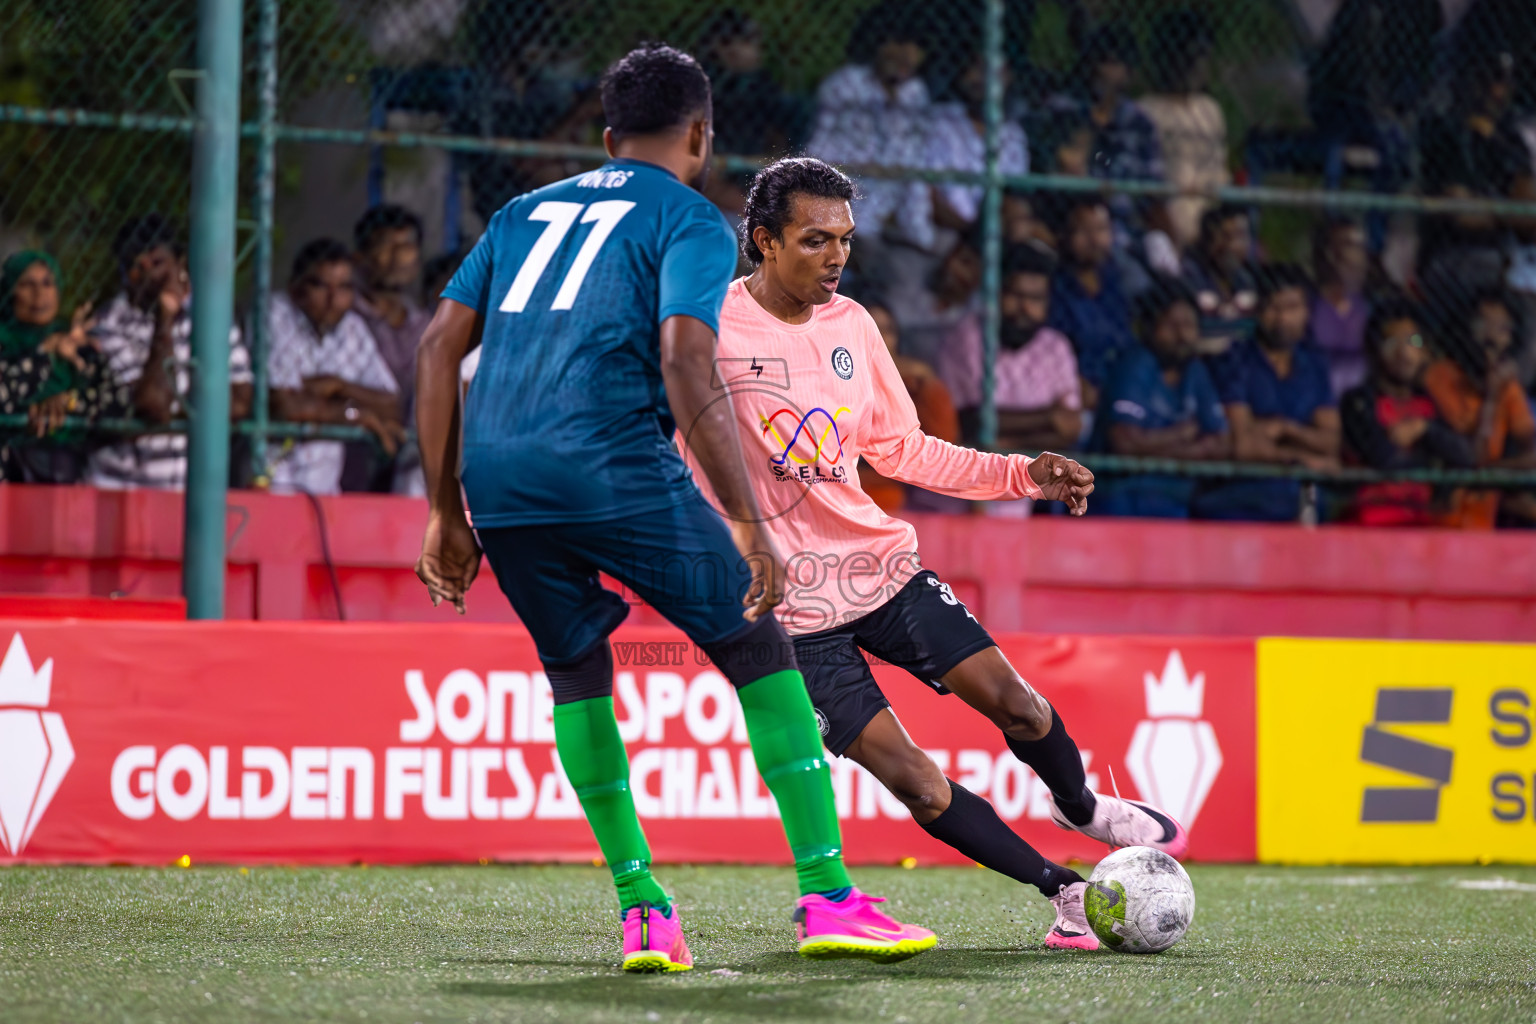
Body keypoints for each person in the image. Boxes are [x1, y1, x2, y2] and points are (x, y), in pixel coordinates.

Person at [410, 46, 935, 973]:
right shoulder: (690, 218)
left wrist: (446, 512)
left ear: (607, 138)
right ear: (700, 135)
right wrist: (746, 519)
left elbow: (438, 349)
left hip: (500, 483)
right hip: (614, 467)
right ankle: (828, 895)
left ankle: (643, 908)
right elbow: (687, 361)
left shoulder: (519, 211)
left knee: (575, 674)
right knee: (761, 644)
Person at [690, 155, 1187, 953]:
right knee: (916, 782)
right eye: (815, 240)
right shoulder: (705, 329)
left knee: (1018, 704)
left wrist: (1023, 471)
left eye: (845, 240)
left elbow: (906, 451)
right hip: (792, 616)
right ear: (763, 242)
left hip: (882, 571)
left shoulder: (852, 327)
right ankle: (1062, 893)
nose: (836, 257)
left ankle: (1082, 807)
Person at [86, 214, 252, 490]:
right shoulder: (108, 325)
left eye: (158, 263)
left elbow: (241, 400)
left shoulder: (209, 316)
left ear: (180, 264)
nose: (148, 274)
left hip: (189, 491)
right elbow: (153, 405)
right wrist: (165, 318)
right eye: (135, 266)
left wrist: (175, 409)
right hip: (124, 487)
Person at [1197, 263, 1339, 522]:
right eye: (1274, 308)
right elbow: (1243, 446)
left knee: (1314, 509)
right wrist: (1300, 456)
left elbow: (1330, 442)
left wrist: (1285, 429)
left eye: (1292, 308)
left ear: (1307, 312)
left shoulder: (1314, 366)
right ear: (1258, 310)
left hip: (1302, 488)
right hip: (1244, 489)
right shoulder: (1235, 361)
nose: (1283, 318)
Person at [265, 239, 405, 495]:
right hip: (271, 479)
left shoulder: (352, 327)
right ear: (295, 288)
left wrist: (339, 385)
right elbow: (285, 406)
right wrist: (356, 415)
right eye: (320, 285)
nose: (333, 299)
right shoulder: (275, 314)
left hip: (325, 489)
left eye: (344, 288)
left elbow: (391, 405)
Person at [1093, 278, 1231, 517]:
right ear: (1149, 327)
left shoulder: (1195, 369)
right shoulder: (1135, 364)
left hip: (1175, 500)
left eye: (1188, 325)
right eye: (1171, 325)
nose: (1181, 335)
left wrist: (1154, 444)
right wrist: (1182, 437)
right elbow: (1124, 443)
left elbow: (1221, 442)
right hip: (1124, 499)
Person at [1341, 299, 1475, 526]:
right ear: (1374, 348)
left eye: (1413, 341)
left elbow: (1464, 456)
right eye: (1392, 342)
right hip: (1370, 523)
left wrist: (1424, 429)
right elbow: (1382, 457)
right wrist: (1431, 458)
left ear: (1424, 350)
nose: (1404, 353)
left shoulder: (1427, 402)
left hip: (1421, 523)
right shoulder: (1359, 401)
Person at [938, 242, 1081, 453]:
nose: (1025, 308)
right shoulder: (966, 338)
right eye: (1015, 295)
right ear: (996, 293)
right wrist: (1047, 417)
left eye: (1035, 299)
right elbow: (967, 421)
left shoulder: (1055, 346)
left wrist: (1007, 445)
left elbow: (1069, 427)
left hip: (1036, 475)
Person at [0, 250, 121, 482]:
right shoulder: (5, 342)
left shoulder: (75, 341)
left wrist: (68, 402)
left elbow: (117, 402)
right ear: (10, 291)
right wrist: (44, 352)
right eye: (27, 284)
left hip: (71, 474)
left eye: (48, 283)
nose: (39, 294)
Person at [1423, 290, 1536, 528]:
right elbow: (1473, 456)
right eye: (1483, 324)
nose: (1491, 337)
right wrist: (1492, 399)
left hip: (1482, 519)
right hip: (1440, 516)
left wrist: (1491, 473)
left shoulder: (1508, 386)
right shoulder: (1441, 376)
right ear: (1465, 327)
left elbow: (1531, 453)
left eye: (1502, 328)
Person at [1044, 25, 1164, 246]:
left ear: (1129, 73)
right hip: (1072, 229)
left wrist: (1161, 237)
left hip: (1125, 231)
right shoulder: (1064, 112)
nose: (1102, 71)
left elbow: (1153, 193)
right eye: (1099, 61)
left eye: (1113, 63)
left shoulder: (1139, 124)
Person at [1136, 8, 1227, 251]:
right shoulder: (1145, 111)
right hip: (1165, 233)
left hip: (1210, 232)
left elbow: (1220, 177)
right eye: (1187, 56)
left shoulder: (1209, 111)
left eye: (1202, 56)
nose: (1195, 65)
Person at [858, 299, 960, 514]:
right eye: (870, 329)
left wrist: (927, 381)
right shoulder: (831, 378)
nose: (880, 339)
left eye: (888, 331)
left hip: (899, 491)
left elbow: (944, 442)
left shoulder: (915, 382)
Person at [1047, 194, 1135, 410]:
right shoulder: (1056, 287)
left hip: (1119, 383)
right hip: (1074, 389)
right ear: (1065, 235)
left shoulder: (1115, 282)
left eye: (1101, 229)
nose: (1094, 240)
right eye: (1084, 230)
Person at [352, 205, 430, 420]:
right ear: (360, 257)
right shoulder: (344, 316)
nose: (398, 257)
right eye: (386, 245)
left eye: (407, 246)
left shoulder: (425, 326)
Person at [1181, 205, 1258, 355]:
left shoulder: (1247, 280)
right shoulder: (1190, 276)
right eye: (1224, 236)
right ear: (1207, 240)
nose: (1231, 246)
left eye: (1239, 236)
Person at [1311, 217, 1372, 398]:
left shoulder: (1370, 307)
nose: (1362, 255)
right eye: (1352, 246)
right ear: (1331, 254)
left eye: (1362, 247)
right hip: (1317, 399)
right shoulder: (1310, 306)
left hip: (1362, 400)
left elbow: (1413, 338)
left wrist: (1416, 341)